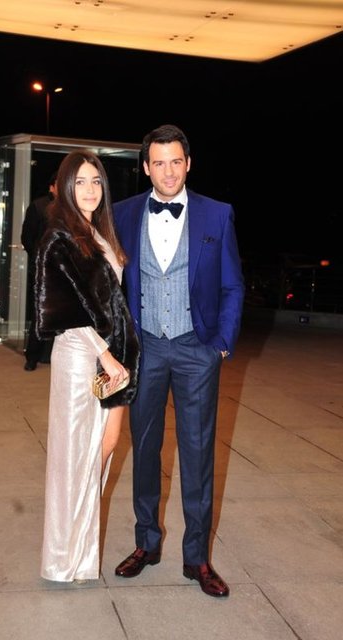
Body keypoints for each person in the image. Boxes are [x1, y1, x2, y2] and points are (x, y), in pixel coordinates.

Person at [113, 124, 245, 597]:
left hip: (196, 348)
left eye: (175, 161)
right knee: (144, 451)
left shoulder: (217, 214)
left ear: (188, 164)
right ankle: (146, 544)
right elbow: (109, 284)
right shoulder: (122, 213)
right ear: (146, 167)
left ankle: (197, 559)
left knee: (197, 453)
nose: (168, 172)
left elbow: (232, 284)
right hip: (145, 347)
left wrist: (220, 344)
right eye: (158, 163)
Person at [35, 150, 140, 583]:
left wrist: (118, 354)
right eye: (80, 181)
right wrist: (105, 354)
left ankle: (80, 554)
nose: (90, 189)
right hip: (82, 358)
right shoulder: (58, 239)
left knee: (107, 444)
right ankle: (64, 561)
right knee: (74, 458)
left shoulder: (100, 234)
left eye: (96, 180)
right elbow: (64, 311)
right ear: (65, 187)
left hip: (112, 359)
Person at [21, 171, 57, 371]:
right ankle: (32, 357)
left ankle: (50, 355)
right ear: (52, 187)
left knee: (60, 313)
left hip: (64, 271)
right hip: (41, 270)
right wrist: (39, 257)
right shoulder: (38, 206)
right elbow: (27, 238)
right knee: (39, 313)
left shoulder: (71, 207)